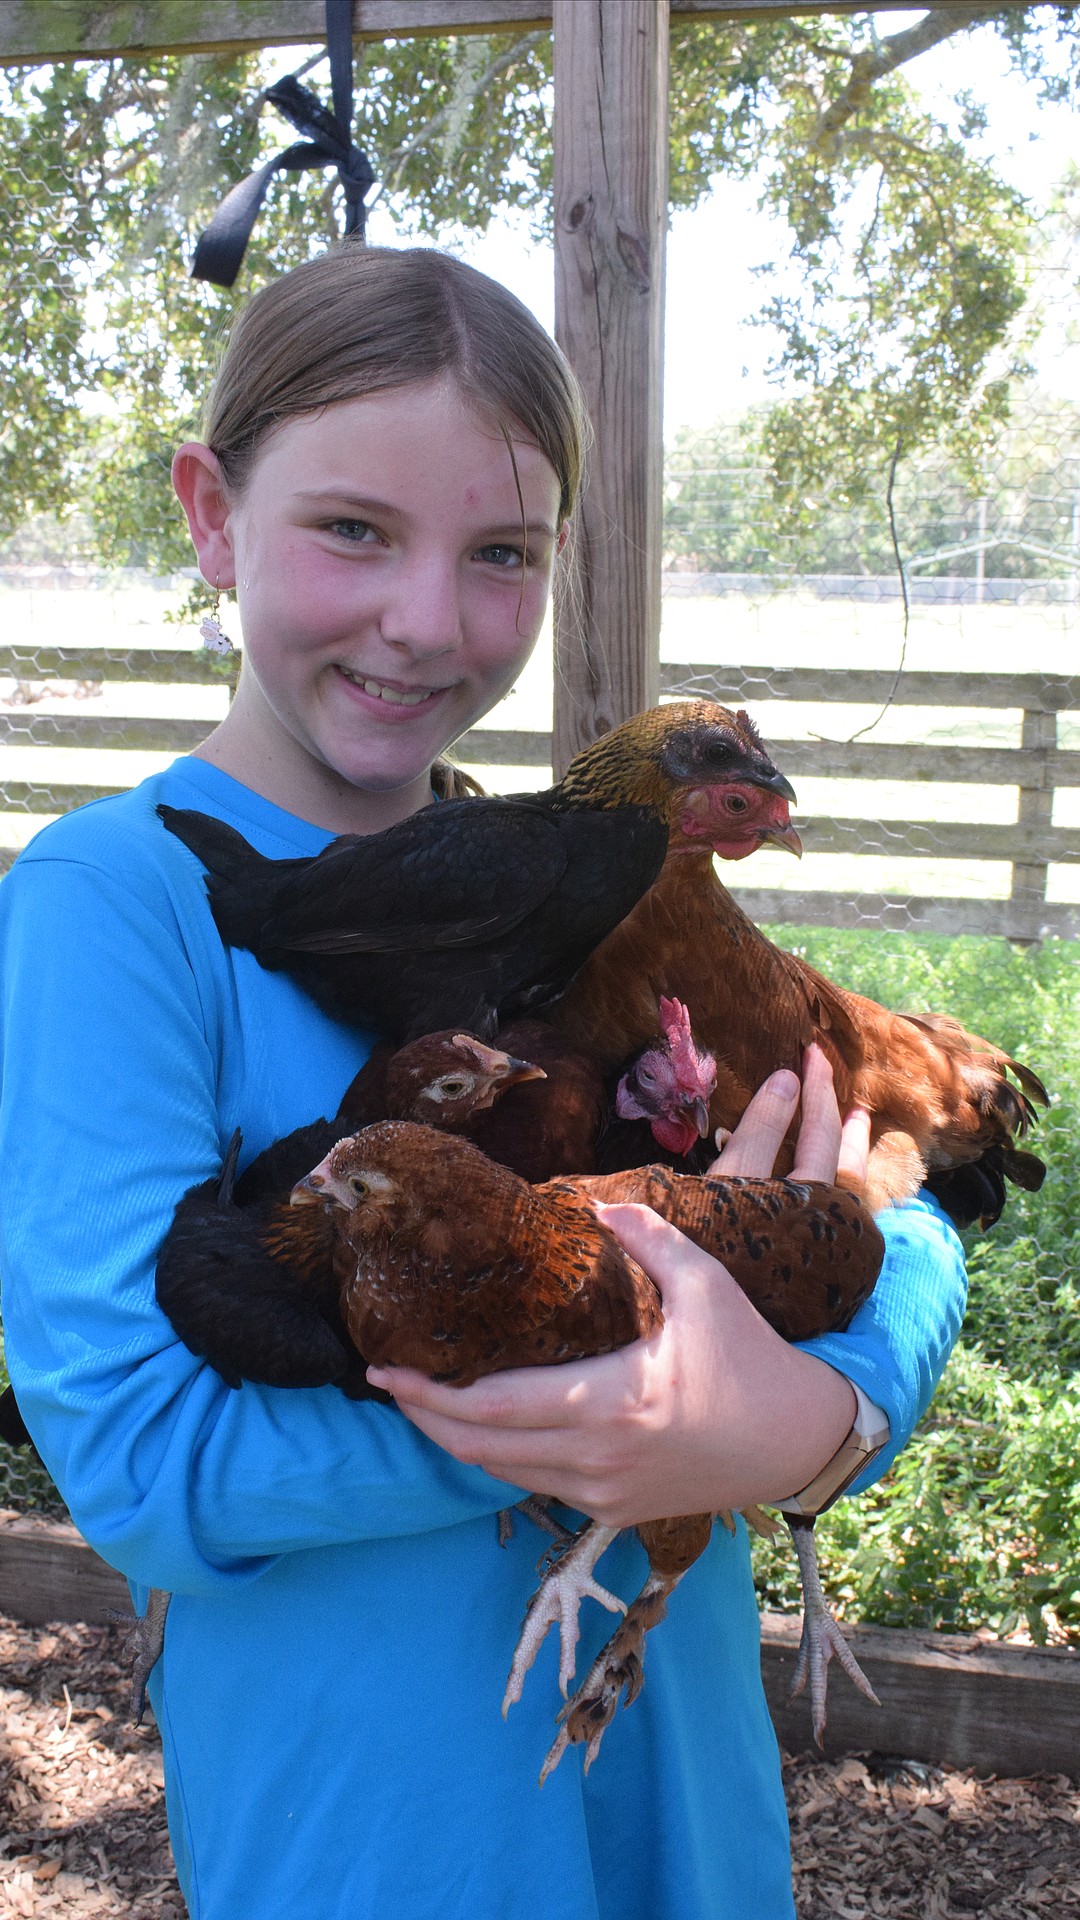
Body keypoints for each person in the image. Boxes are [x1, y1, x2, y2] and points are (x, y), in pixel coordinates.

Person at [0, 243, 966, 1920]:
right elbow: (149, 1462)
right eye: (353, 529)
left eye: (501, 553)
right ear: (212, 515)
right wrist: (649, 1418)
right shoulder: (114, 904)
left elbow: (892, 1181)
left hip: (687, 1795)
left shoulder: (578, 870)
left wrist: (816, 1413)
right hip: (380, 1838)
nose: (426, 621)